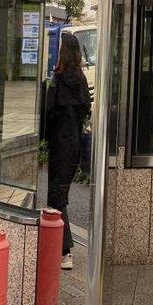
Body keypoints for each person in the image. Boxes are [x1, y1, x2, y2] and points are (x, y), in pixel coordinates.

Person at [45, 33, 91, 269]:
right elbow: (86, 109)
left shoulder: (58, 79)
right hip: (73, 146)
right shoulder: (81, 79)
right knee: (59, 194)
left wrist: (45, 139)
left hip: (58, 145)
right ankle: (57, 247)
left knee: (56, 196)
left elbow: (49, 114)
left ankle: (64, 250)